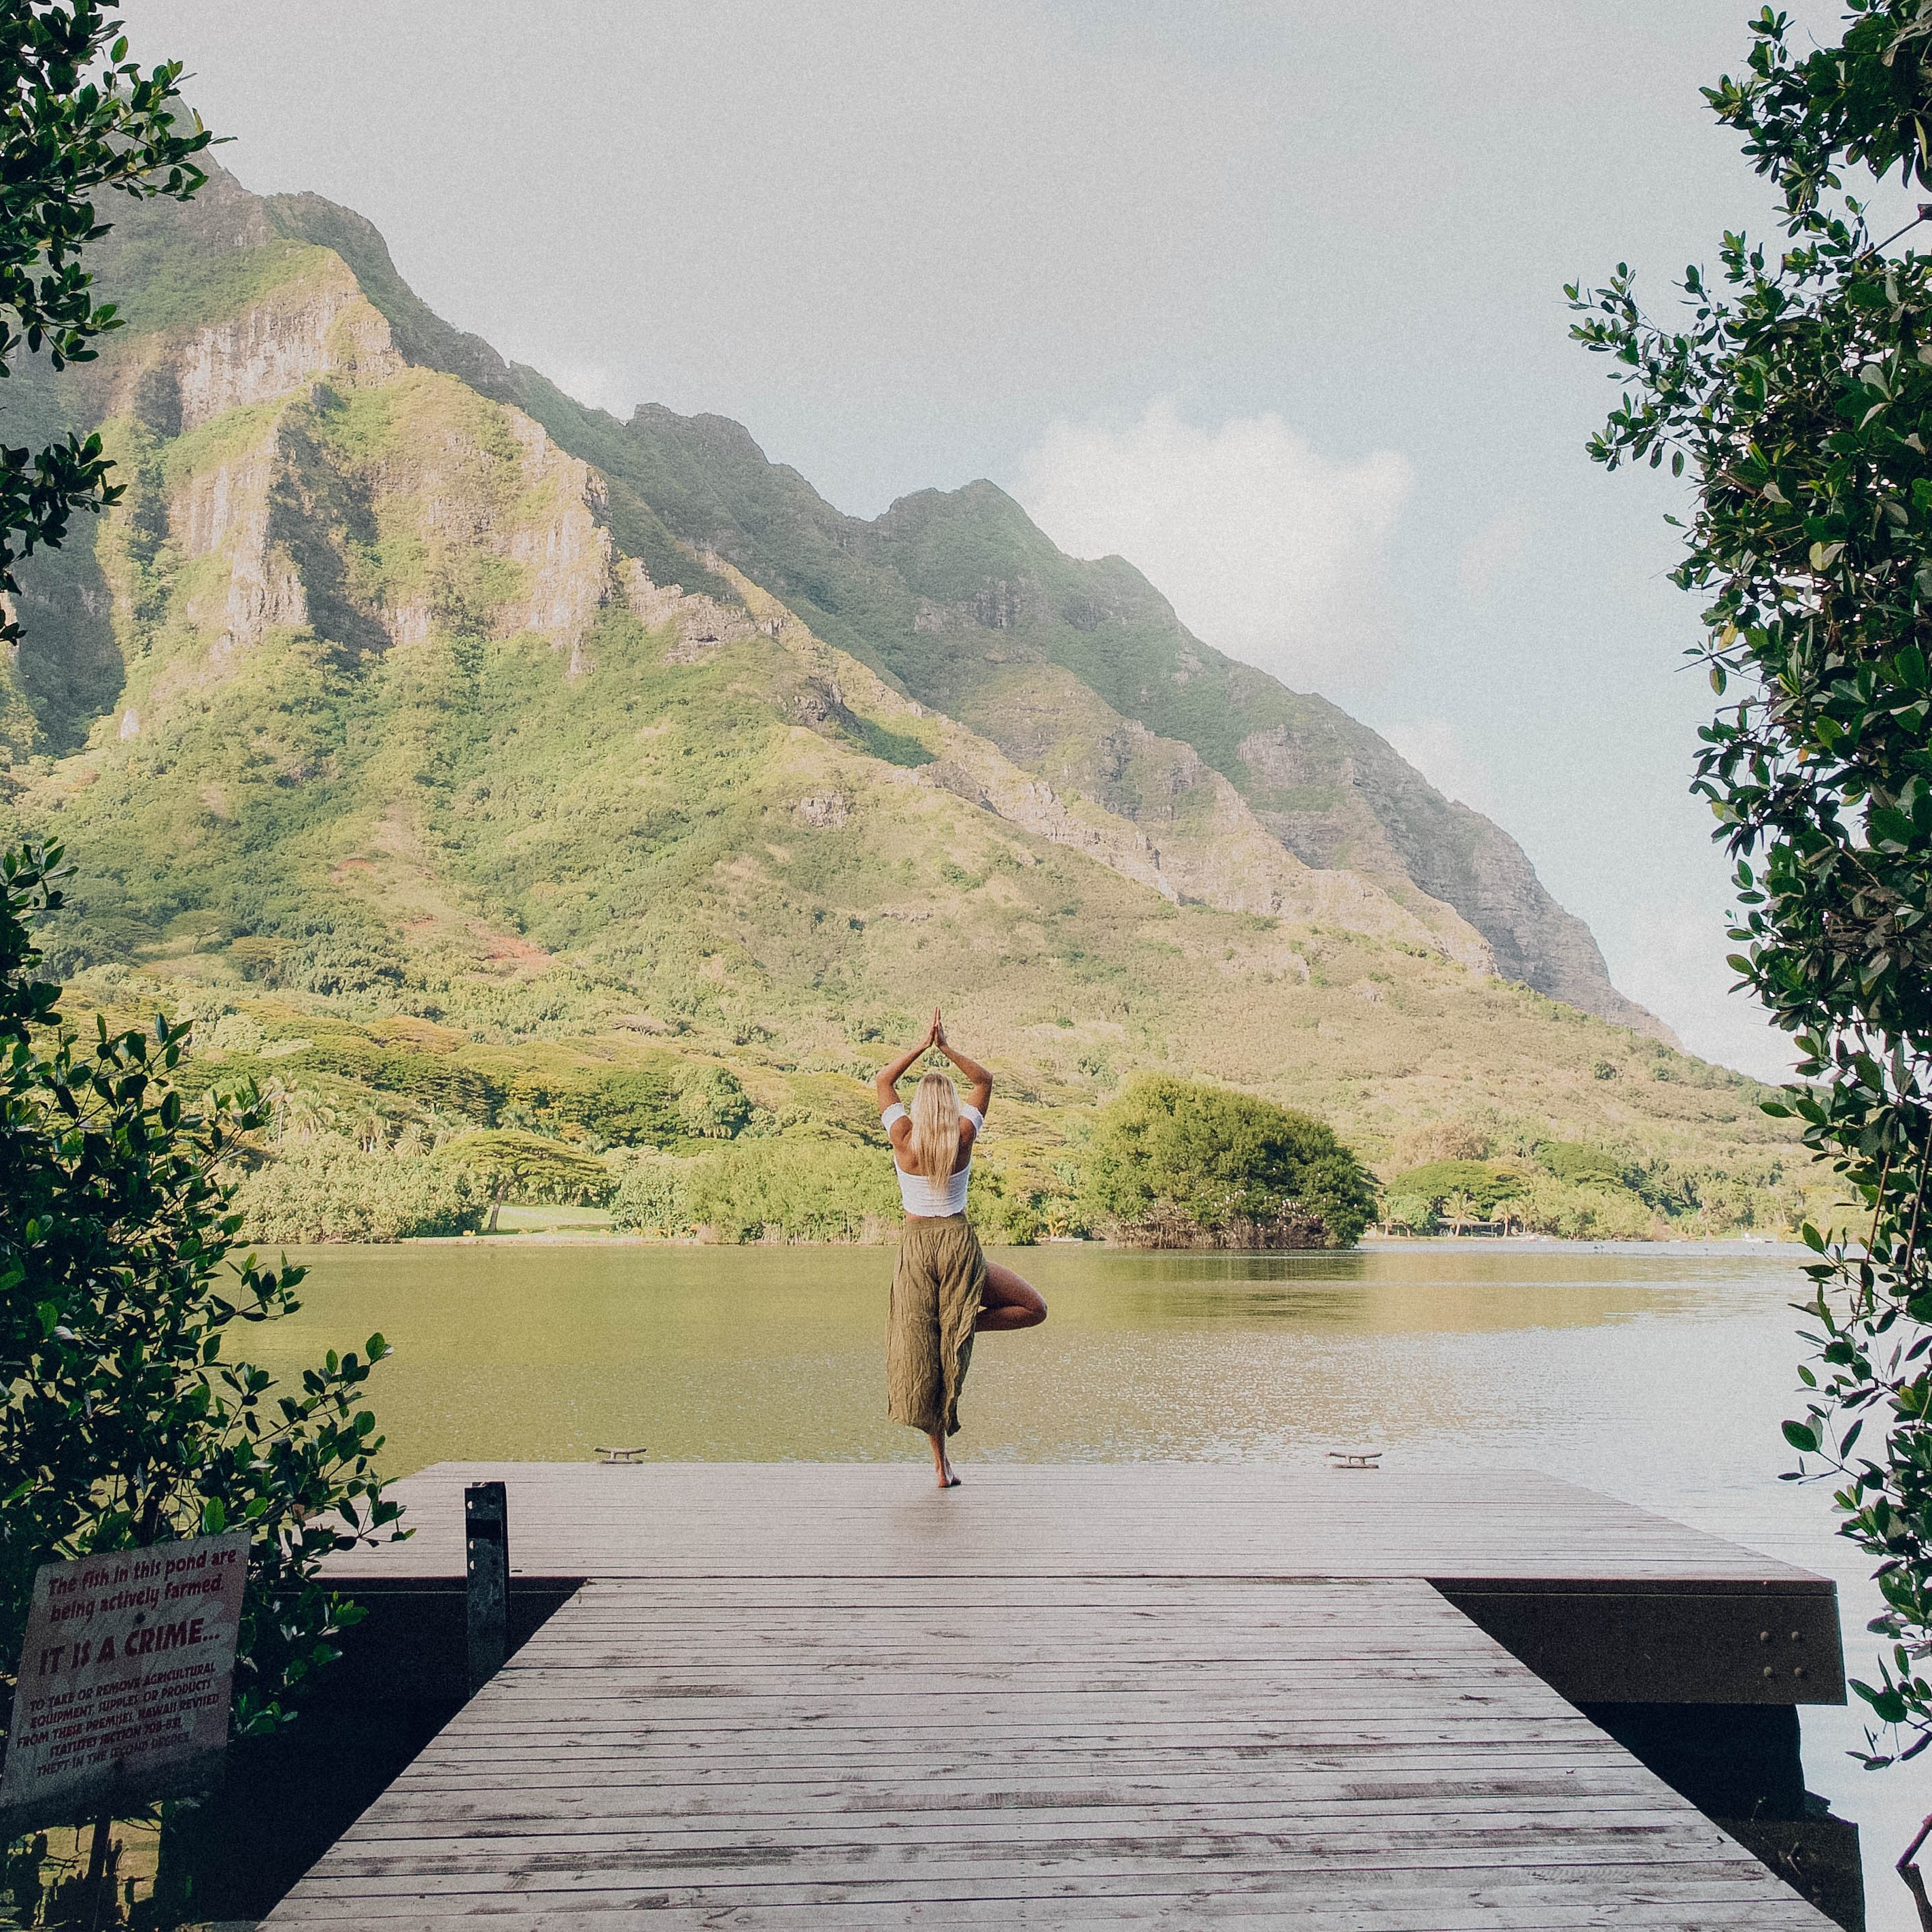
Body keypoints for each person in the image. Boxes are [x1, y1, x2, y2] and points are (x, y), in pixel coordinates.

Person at [875, 1006, 1046, 1487]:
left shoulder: (901, 1137)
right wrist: (945, 1047)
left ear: (917, 1105)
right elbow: (985, 1080)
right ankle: (959, 1323)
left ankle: (939, 1465)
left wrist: (919, 1046)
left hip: (915, 1248)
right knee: (1034, 1308)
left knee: (924, 1355)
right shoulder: (963, 1135)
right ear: (948, 1103)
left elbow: (883, 1079)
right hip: (955, 1244)